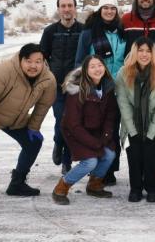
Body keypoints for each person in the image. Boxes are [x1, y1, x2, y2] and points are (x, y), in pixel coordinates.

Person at [0, 43, 57, 210]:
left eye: (38, 62)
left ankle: (17, 184)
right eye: (28, 61)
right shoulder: (5, 71)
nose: (33, 66)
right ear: (20, 60)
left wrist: (33, 128)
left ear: (44, 62)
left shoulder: (48, 80)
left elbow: (43, 106)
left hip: (15, 117)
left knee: (34, 142)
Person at [115, 37, 155, 203]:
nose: (144, 54)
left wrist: (151, 134)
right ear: (135, 52)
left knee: (151, 152)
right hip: (132, 123)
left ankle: (152, 188)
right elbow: (123, 104)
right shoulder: (123, 73)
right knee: (133, 151)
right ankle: (135, 188)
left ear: (153, 53)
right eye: (140, 50)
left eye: (148, 51)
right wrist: (132, 132)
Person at [52, 55, 118, 205]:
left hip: (96, 132)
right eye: (92, 66)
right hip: (74, 132)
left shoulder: (107, 88)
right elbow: (73, 124)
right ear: (85, 70)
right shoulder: (77, 90)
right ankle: (61, 188)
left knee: (109, 154)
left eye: (99, 65)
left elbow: (110, 115)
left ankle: (94, 185)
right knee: (90, 162)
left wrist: (106, 136)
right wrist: (94, 143)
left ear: (105, 68)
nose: (97, 69)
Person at [75, 0, 126, 185]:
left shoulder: (122, 32)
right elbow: (80, 61)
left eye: (113, 8)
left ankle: (111, 169)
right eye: (105, 8)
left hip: (119, 88)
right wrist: (86, 87)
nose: (109, 11)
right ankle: (97, 170)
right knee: (96, 129)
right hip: (97, 89)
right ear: (99, 10)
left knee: (113, 129)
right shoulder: (89, 33)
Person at [40, 0, 84, 175]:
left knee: (72, 123)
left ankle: (67, 161)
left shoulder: (83, 30)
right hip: (57, 87)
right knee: (61, 120)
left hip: (76, 87)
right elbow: (41, 57)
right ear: (59, 9)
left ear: (75, 8)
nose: (67, 9)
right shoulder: (50, 31)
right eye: (63, 6)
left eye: (70, 5)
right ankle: (58, 143)